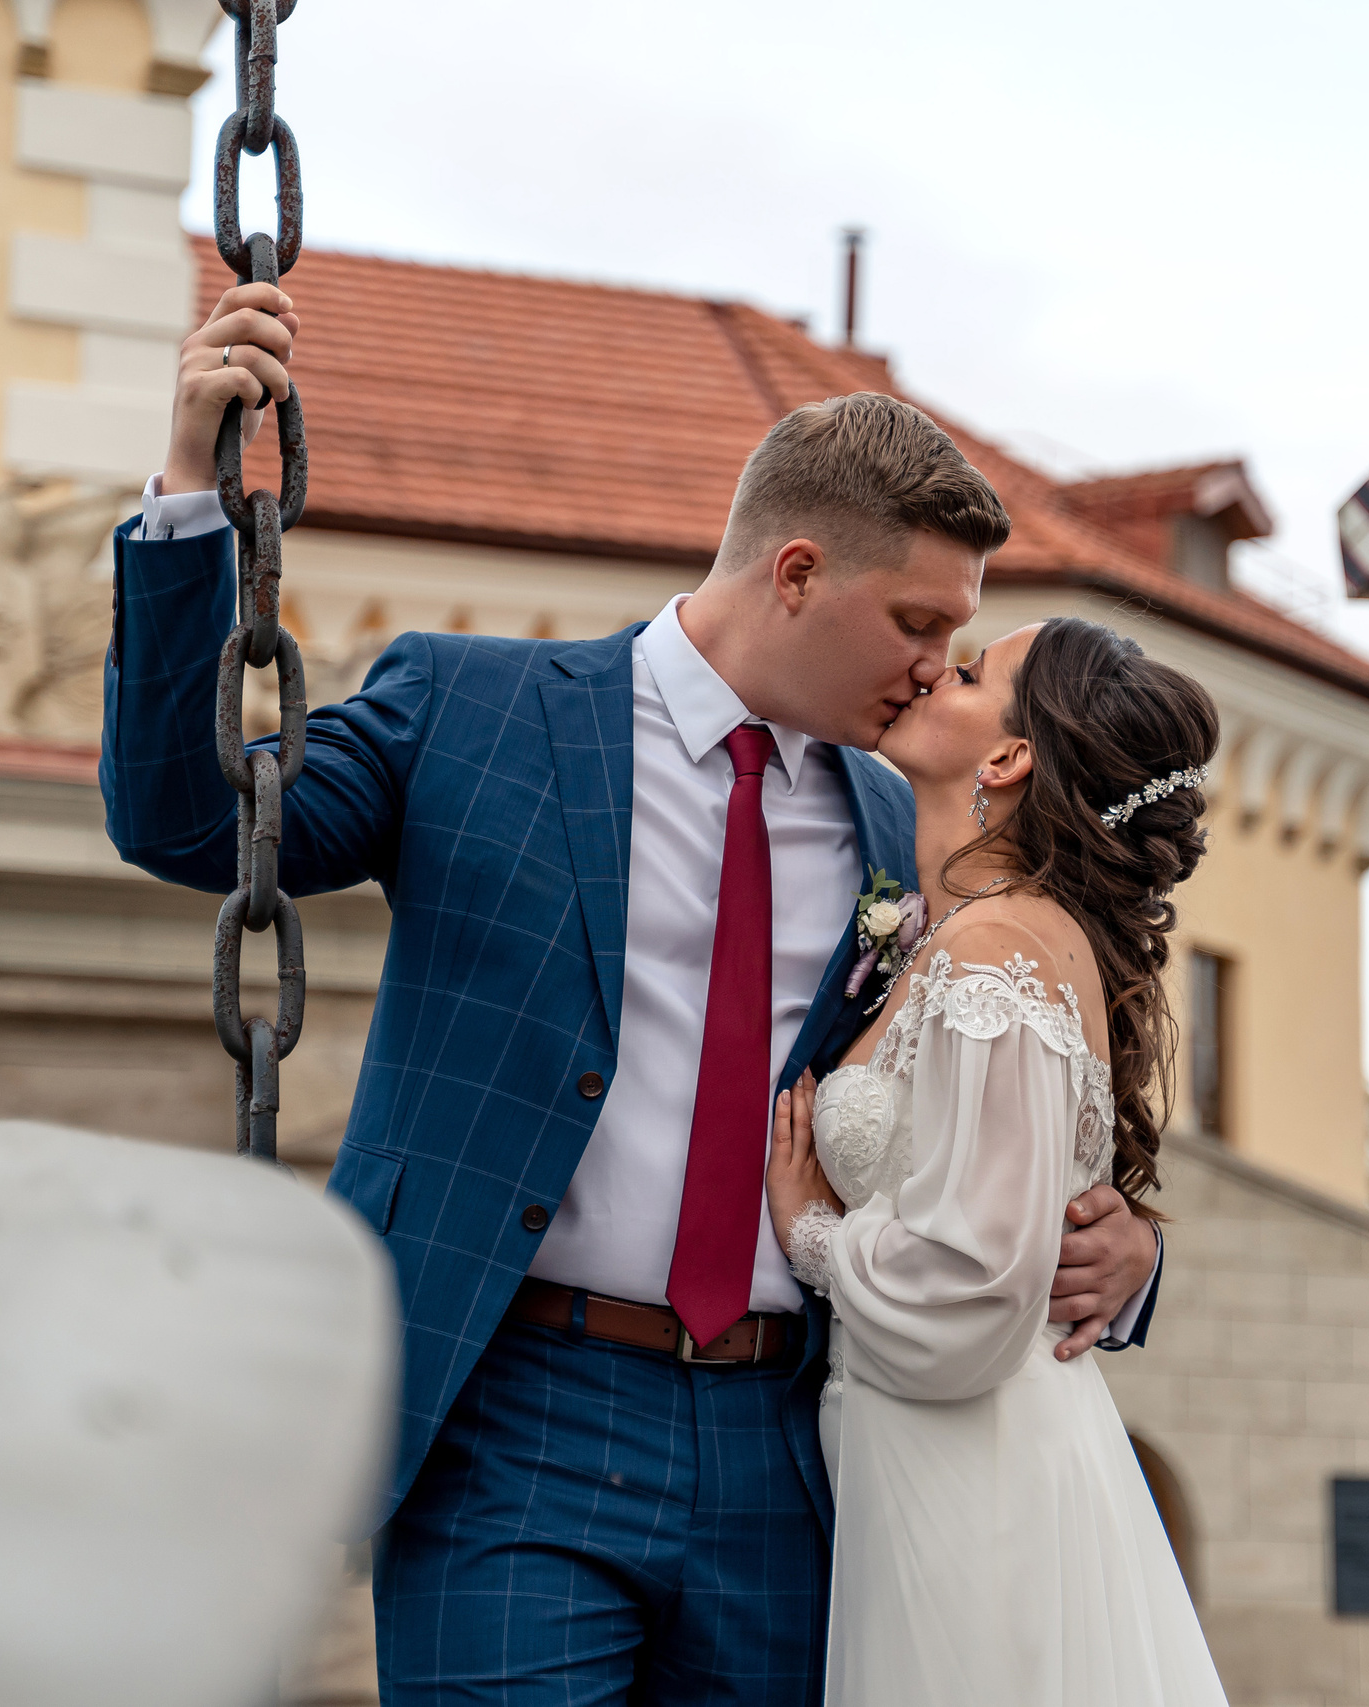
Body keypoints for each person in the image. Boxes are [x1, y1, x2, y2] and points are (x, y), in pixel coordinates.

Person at [102, 282, 1167, 1703]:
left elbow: (995, 1088)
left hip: (795, 1447)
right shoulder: (470, 709)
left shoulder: (895, 812)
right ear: (796, 573)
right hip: (513, 1420)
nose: (934, 665)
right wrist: (189, 493)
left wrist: (1126, 1245)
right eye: (918, 618)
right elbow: (189, 821)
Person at [763, 617, 1228, 1705]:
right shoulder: (948, 925)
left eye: (969, 672)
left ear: (1009, 759)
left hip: (969, 1464)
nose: (934, 667)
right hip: (926, 1451)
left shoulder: (993, 952)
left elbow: (975, 1285)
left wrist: (809, 1235)